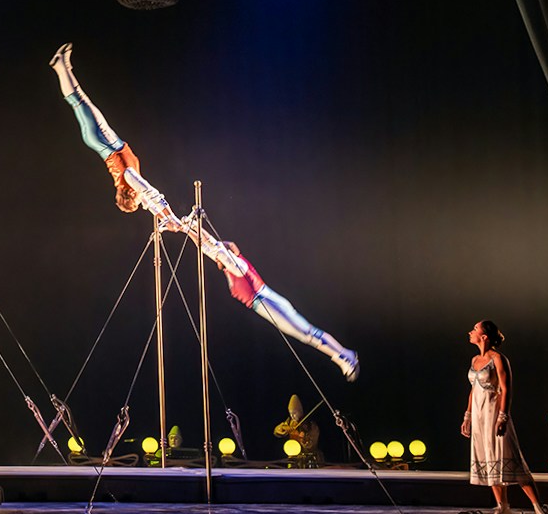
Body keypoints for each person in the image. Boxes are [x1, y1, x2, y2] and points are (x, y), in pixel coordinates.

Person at [48, 43, 359, 381]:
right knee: (79, 104)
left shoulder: (127, 178)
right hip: (262, 301)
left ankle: (344, 356)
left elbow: (198, 236)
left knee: (82, 104)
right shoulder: (232, 265)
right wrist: (176, 222)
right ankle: (61, 68)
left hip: (109, 146)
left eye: (134, 204)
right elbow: (203, 241)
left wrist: (168, 214)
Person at [464, 320, 547, 513]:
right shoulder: (474, 360)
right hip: (479, 415)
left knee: (511, 458)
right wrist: (467, 416)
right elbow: (473, 390)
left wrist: (503, 417)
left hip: (494, 413)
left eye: (474, 329)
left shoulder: (498, 359)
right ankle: (503, 506)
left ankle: (537, 506)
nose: (470, 332)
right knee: (488, 456)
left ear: (484, 336)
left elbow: (506, 388)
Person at [273, 394, 322, 464]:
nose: (292, 416)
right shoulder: (290, 422)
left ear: (301, 411)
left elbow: (312, 443)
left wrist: (305, 441)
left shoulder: (310, 425)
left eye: (294, 413)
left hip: (309, 459)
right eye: (290, 413)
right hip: (293, 457)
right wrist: (282, 429)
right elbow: (277, 430)